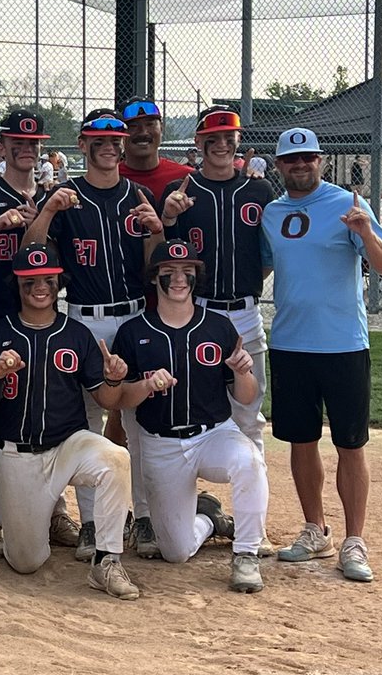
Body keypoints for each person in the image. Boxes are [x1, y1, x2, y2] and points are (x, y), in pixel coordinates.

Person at [22, 110, 164, 561]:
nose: (108, 144)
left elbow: (151, 268)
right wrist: (47, 209)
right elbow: (32, 253)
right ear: (82, 145)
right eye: (98, 138)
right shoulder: (68, 195)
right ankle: (90, 524)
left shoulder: (136, 194)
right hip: (85, 317)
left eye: (115, 137)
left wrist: (156, 231)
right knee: (87, 422)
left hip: (134, 315)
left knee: (142, 421)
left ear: (123, 144)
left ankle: (141, 517)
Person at [261, 128, 382, 583]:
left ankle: (354, 540)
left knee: (350, 444)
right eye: (290, 160)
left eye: (308, 158)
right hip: (289, 343)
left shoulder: (346, 205)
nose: (300, 166)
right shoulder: (272, 212)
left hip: (342, 343)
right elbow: (261, 266)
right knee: (300, 440)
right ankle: (315, 529)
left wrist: (365, 233)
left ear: (321, 161)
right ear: (278, 166)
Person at [0, 244, 140, 600]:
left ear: (58, 282)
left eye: (47, 279)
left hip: (69, 444)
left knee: (116, 458)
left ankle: (107, 560)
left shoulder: (76, 333)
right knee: (26, 560)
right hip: (19, 455)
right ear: (17, 285)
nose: (40, 287)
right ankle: (40, 520)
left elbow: (106, 401)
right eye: (30, 280)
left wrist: (113, 378)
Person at [0, 109, 79, 558]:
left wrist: (43, 214)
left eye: (33, 144)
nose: (27, 150)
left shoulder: (54, 196)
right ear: (2, 147)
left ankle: (54, 510)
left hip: (45, 321)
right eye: (18, 143)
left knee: (51, 410)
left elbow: (56, 259)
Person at [112, 240, 269, 593]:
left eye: (188, 272)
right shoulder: (134, 332)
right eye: (170, 273)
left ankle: (246, 554)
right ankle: (210, 520)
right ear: (155, 278)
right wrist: (147, 385)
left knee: (249, 462)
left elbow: (244, 395)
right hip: (161, 443)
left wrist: (244, 372)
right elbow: (122, 400)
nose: (180, 280)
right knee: (176, 551)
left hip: (213, 434)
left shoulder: (218, 326)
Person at [159, 106, 275, 556]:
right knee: (193, 407)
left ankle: (253, 528)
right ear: (200, 144)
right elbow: (166, 252)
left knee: (250, 417)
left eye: (228, 137)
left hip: (244, 313)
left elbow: (265, 256)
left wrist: (244, 289)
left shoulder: (260, 189)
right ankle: (189, 509)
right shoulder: (183, 190)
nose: (221, 144)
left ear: (238, 141)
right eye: (212, 138)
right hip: (197, 311)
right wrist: (169, 218)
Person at [118, 100, 193, 202]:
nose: (143, 132)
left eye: (150, 124)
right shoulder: (110, 179)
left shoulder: (186, 178)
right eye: (133, 126)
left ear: (161, 128)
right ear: (120, 133)